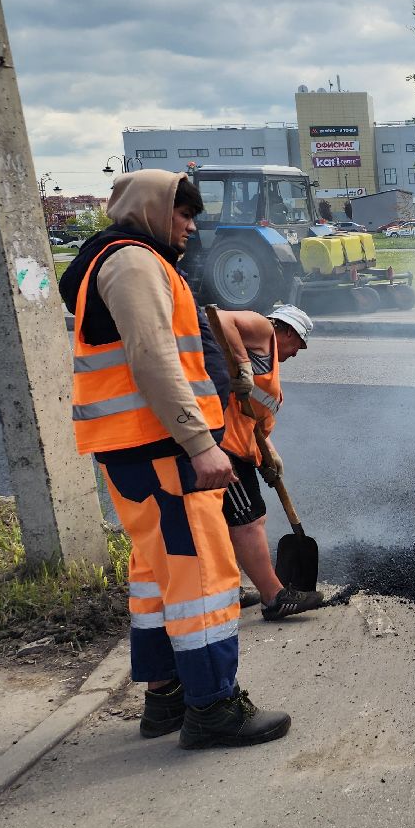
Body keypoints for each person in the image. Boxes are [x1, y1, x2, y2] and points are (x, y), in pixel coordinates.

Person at [61, 169, 291, 749]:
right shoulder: (135, 262)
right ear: (154, 209)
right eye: (184, 215)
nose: (190, 227)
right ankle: (213, 705)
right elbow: (154, 360)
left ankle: (165, 697)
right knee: (201, 577)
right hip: (162, 448)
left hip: (134, 447)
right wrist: (199, 443)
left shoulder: (117, 260)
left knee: (158, 575)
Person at [213, 304, 324, 621]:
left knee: (227, 523)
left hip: (238, 445)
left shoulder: (269, 364)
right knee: (249, 521)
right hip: (222, 445)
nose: (297, 352)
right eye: (298, 344)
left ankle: (228, 590)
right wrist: (244, 367)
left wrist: (268, 454)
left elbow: (252, 423)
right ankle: (275, 598)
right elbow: (220, 318)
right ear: (286, 330)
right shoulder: (263, 331)